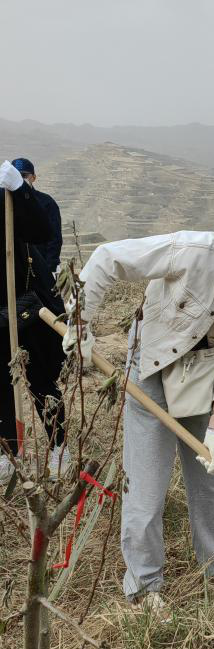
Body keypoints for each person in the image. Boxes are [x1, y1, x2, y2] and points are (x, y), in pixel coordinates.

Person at [70, 201, 214, 614]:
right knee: (147, 486)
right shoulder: (192, 252)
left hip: (202, 375)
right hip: (151, 368)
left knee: (213, 477)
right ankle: (144, 585)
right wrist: (81, 322)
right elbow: (107, 258)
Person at [0, 160, 67, 485]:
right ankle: (7, 455)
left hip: (27, 305)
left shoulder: (9, 199)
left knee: (40, 381)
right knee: (1, 386)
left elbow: (42, 231)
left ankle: (58, 448)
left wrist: (19, 190)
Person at [12, 158, 62, 276]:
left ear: (33, 177)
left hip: (42, 266)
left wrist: (49, 268)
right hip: (14, 268)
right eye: (16, 176)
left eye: (24, 175)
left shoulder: (46, 202)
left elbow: (55, 238)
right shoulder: (6, 202)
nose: (20, 179)